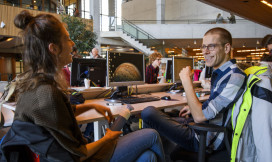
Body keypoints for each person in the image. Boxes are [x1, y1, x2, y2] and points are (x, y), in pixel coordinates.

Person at [0, 10, 165, 162]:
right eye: (67, 38)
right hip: (83, 158)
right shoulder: (46, 94)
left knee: (148, 157)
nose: (72, 44)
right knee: (151, 135)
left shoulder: (35, 84)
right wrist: (109, 137)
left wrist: (92, 106)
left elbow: (57, 116)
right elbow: (77, 155)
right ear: (53, 48)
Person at [141, 27, 246, 153]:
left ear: (227, 48)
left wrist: (187, 82)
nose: (205, 51)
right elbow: (214, 106)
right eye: (203, 47)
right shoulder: (223, 73)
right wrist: (193, 107)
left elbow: (199, 117)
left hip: (205, 138)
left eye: (211, 46)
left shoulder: (234, 77)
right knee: (167, 115)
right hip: (204, 127)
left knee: (148, 113)